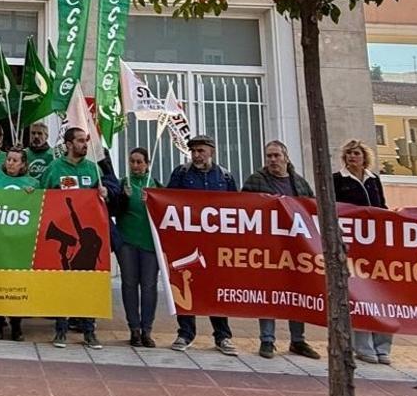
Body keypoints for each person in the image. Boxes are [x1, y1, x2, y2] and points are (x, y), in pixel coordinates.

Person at [241, 141, 321, 360]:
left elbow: (313, 211)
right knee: (268, 292)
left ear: (286, 157)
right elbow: (242, 208)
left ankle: (298, 340)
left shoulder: (300, 184)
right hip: (268, 249)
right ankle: (267, 340)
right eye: (268, 156)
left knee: (296, 294)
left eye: (276, 155)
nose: (272, 160)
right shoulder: (255, 181)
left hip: (296, 248)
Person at [168, 135, 239, 355]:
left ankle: (222, 335)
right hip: (188, 243)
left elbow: (236, 207)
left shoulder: (225, 176)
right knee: (185, 284)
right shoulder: (181, 174)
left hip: (215, 244)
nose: (197, 155)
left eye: (201, 151)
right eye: (194, 151)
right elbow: (168, 200)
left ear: (212, 151)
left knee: (215, 288)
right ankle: (185, 333)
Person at [41, 127, 107, 349]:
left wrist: (106, 193)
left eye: (85, 141)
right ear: (68, 144)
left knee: (88, 285)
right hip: (65, 237)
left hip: (89, 238)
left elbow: (108, 194)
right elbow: (41, 193)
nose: (84, 144)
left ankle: (90, 331)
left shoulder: (93, 169)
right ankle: (61, 330)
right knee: (63, 284)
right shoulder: (55, 168)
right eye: (80, 141)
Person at [333, 138, 392, 365]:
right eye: (348, 154)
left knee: (381, 294)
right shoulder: (338, 180)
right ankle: (363, 346)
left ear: (364, 157)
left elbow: (382, 207)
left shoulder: (374, 180)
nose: (352, 157)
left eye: (356, 153)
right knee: (358, 294)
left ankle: (382, 346)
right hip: (352, 245)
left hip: (375, 245)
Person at [0, 147, 37, 341]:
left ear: (23, 164)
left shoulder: (32, 183)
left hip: (18, 242)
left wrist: (34, 194)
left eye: (15, 160)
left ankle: (16, 325)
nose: (11, 163)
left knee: (16, 282)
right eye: (9, 160)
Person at [113, 148, 160, 348]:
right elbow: (112, 209)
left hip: (149, 244)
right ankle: (134, 329)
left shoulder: (155, 185)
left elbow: (166, 213)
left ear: (147, 164)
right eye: (132, 161)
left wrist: (153, 203)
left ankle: (147, 329)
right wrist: (123, 198)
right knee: (129, 285)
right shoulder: (123, 183)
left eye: (139, 162)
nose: (135, 166)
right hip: (127, 243)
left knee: (149, 287)